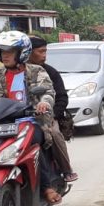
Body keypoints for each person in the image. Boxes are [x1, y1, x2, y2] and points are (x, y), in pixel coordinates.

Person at [0, 31, 62, 205]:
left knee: (35, 146)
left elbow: (47, 91)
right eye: (2, 52)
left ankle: (46, 187)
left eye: (9, 51)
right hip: (1, 125)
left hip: (31, 121)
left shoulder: (36, 71)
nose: (5, 55)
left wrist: (43, 104)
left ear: (21, 52)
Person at [28, 36, 78, 183]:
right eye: (40, 51)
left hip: (46, 116)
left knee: (54, 134)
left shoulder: (50, 72)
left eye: (45, 51)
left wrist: (53, 114)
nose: (44, 55)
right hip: (21, 117)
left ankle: (66, 170)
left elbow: (62, 97)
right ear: (28, 52)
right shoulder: (16, 73)